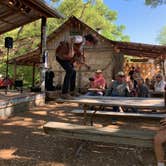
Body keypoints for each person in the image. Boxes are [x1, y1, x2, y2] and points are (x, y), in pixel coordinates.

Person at [56, 34, 98, 99]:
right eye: (91, 44)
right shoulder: (81, 39)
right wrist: (70, 50)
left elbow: (75, 56)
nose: (90, 45)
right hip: (61, 56)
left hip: (66, 58)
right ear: (89, 41)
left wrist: (85, 65)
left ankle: (72, 91)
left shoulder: (81, 45)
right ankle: (64, 93)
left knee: (73, 72)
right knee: (70, 71)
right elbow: (70, 39)